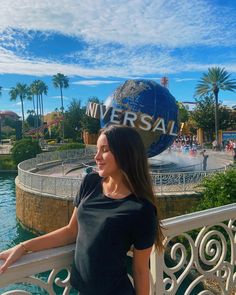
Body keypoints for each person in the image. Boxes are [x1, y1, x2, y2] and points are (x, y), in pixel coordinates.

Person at [0, 125, 164, 295]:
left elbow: (140, 270)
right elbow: (71, 232)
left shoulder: (142, 209)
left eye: (104, 150)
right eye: (97, 149)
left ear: (126, 154)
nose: (96, 157)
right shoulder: (91, 183)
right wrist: (24, 246)